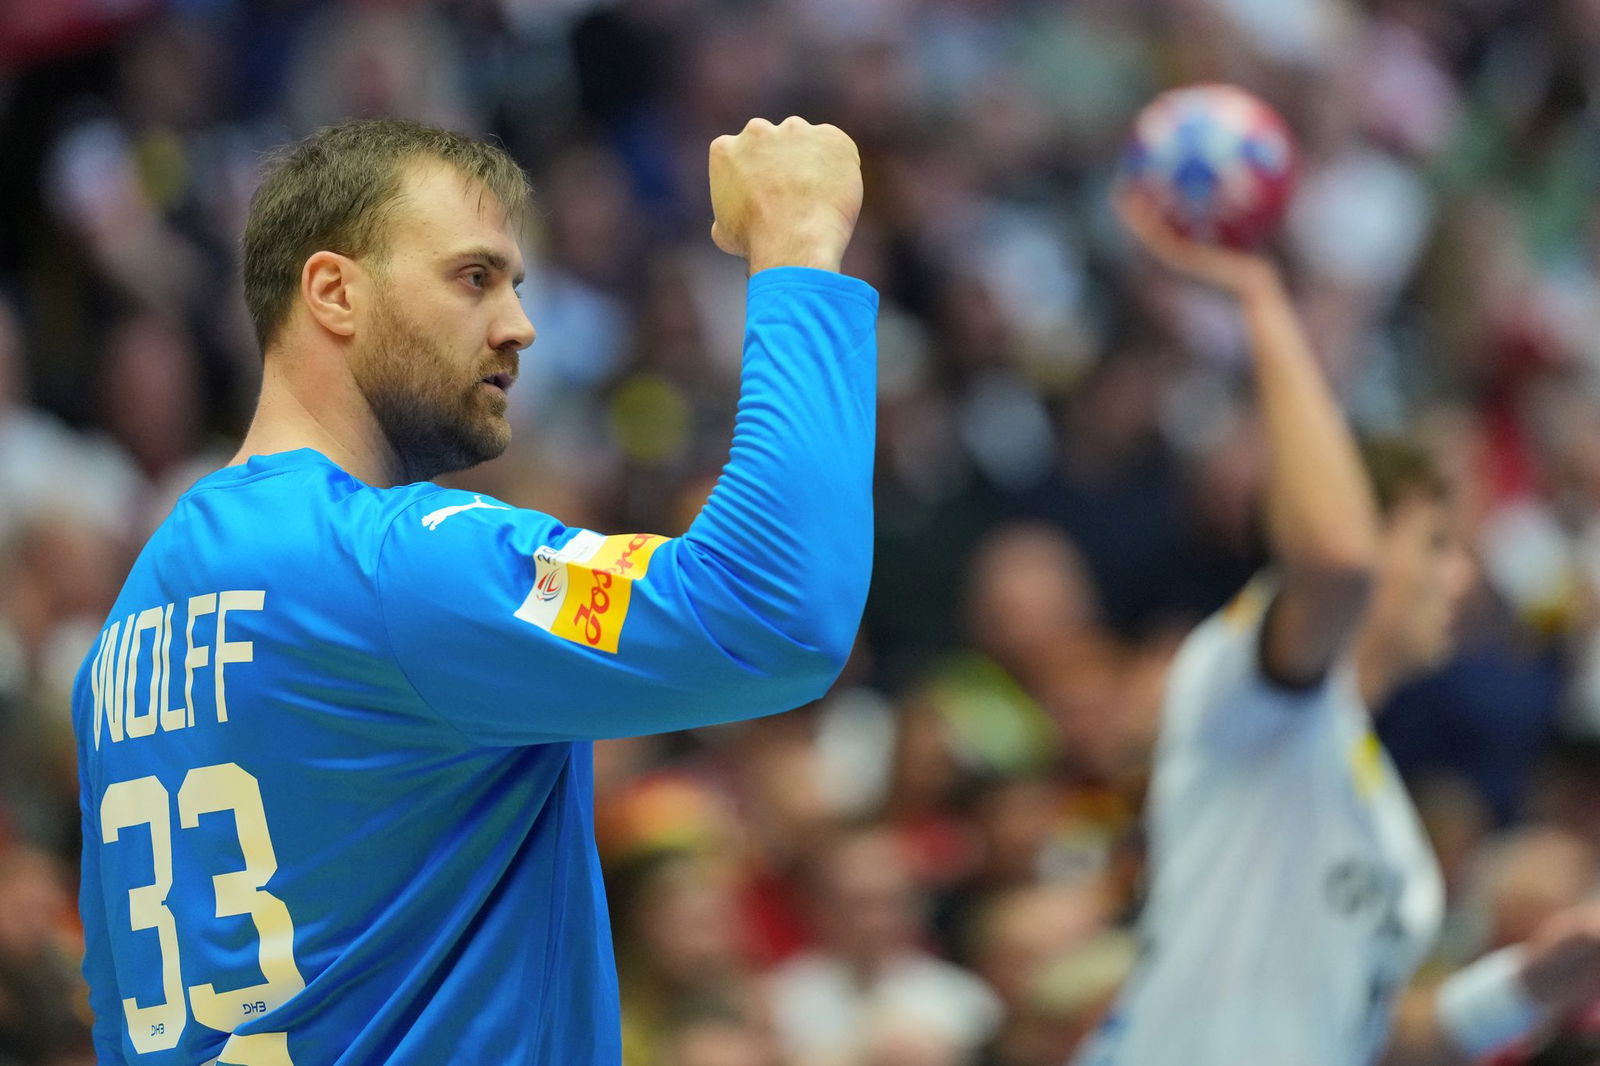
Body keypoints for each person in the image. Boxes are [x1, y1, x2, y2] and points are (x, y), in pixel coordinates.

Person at [71, 115, 877, 1064]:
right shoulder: (395, 563)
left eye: (516, 283)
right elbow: (768, 610)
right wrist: (798, 243)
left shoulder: (128, 628)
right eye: (474, 277)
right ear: (334, 291)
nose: (519, 325)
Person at [1072, 195, 1600, 1066]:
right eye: (1435, 545)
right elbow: (1333, 559)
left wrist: (1534, 983)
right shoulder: (1247, 683)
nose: (1460, 576)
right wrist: (1261, 299)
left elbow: (1370, 1037)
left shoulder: (1385, 811)